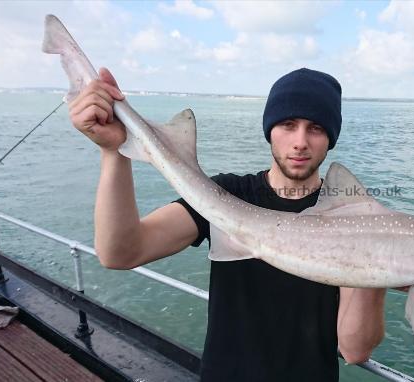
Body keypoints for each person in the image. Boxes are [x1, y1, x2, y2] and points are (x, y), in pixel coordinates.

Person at [68, 67, 386, 382]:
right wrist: (113, 152)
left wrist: (380, 264)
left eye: (315, 128)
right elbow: (120, 253)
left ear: (330, 137)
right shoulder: (225, 195)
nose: (300, 141)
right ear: (270, 130)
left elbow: (354, 349)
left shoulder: (350, 219)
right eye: (288, 125)